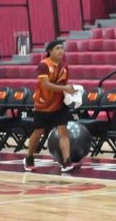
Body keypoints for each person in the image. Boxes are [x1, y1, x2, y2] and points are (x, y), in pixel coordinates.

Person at [24, 39, 80, 173]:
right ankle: (29, 158)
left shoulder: (64, 67)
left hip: (59, 104)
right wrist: (65, 88)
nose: (61, 51)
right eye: (57, 48)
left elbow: (63, 86)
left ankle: (67, 162)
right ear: (49, 51)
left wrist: (70, 92)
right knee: (38, 132)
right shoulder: (43, 65)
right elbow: (46, 85)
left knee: (63, 131)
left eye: (62, 48)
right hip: (43, 105)